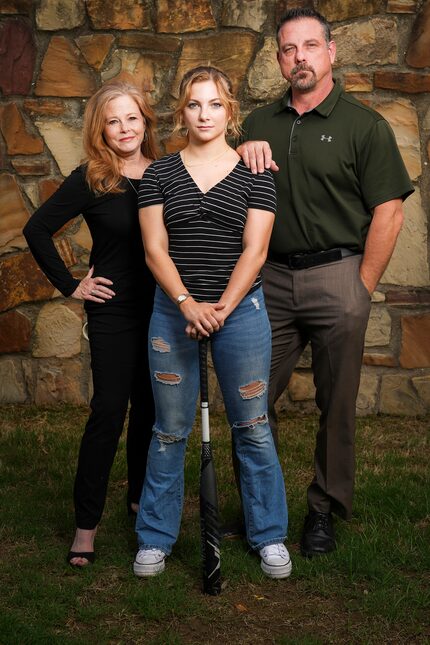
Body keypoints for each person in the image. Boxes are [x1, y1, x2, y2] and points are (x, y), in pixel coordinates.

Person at [237, 8, 414, 557]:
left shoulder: (365, 125)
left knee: (335, 405)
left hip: (339, 275)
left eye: (311, 46)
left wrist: (359, 287)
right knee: (251, 398)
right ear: (279, 59)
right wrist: (239, 152)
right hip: (269, 279)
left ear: (331, 52)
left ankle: (323, 511)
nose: (300, 58)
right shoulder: (258, 124)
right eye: (289, 49)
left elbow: (389, 211)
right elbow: (226, 191)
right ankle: (260, 511)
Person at [133, 66, 291, 580]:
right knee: (169, 430)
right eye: (195, 105)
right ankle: (155, 537)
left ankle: (268, 534)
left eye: (215, 104)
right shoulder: (158, 174)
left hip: (240, 312)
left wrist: (220, 306)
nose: (205, 114)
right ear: (182, 111)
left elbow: (257, 248)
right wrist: (186, 304)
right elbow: (154, 249)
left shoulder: (255, 172)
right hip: (172, 312)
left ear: (230, 111)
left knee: (252, 425)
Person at [23, 81, 158, 567]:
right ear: (101, 128)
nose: (124, 128)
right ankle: (87, 524)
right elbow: (35, 228)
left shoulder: (169, 172)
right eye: (113, 120)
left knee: (152, 411)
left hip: (164, 308)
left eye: (132, 118)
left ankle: (142, 504)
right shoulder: (93, 177)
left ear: (146, 120)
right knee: (108, 411)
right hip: (115, 311)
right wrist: (71, 284)